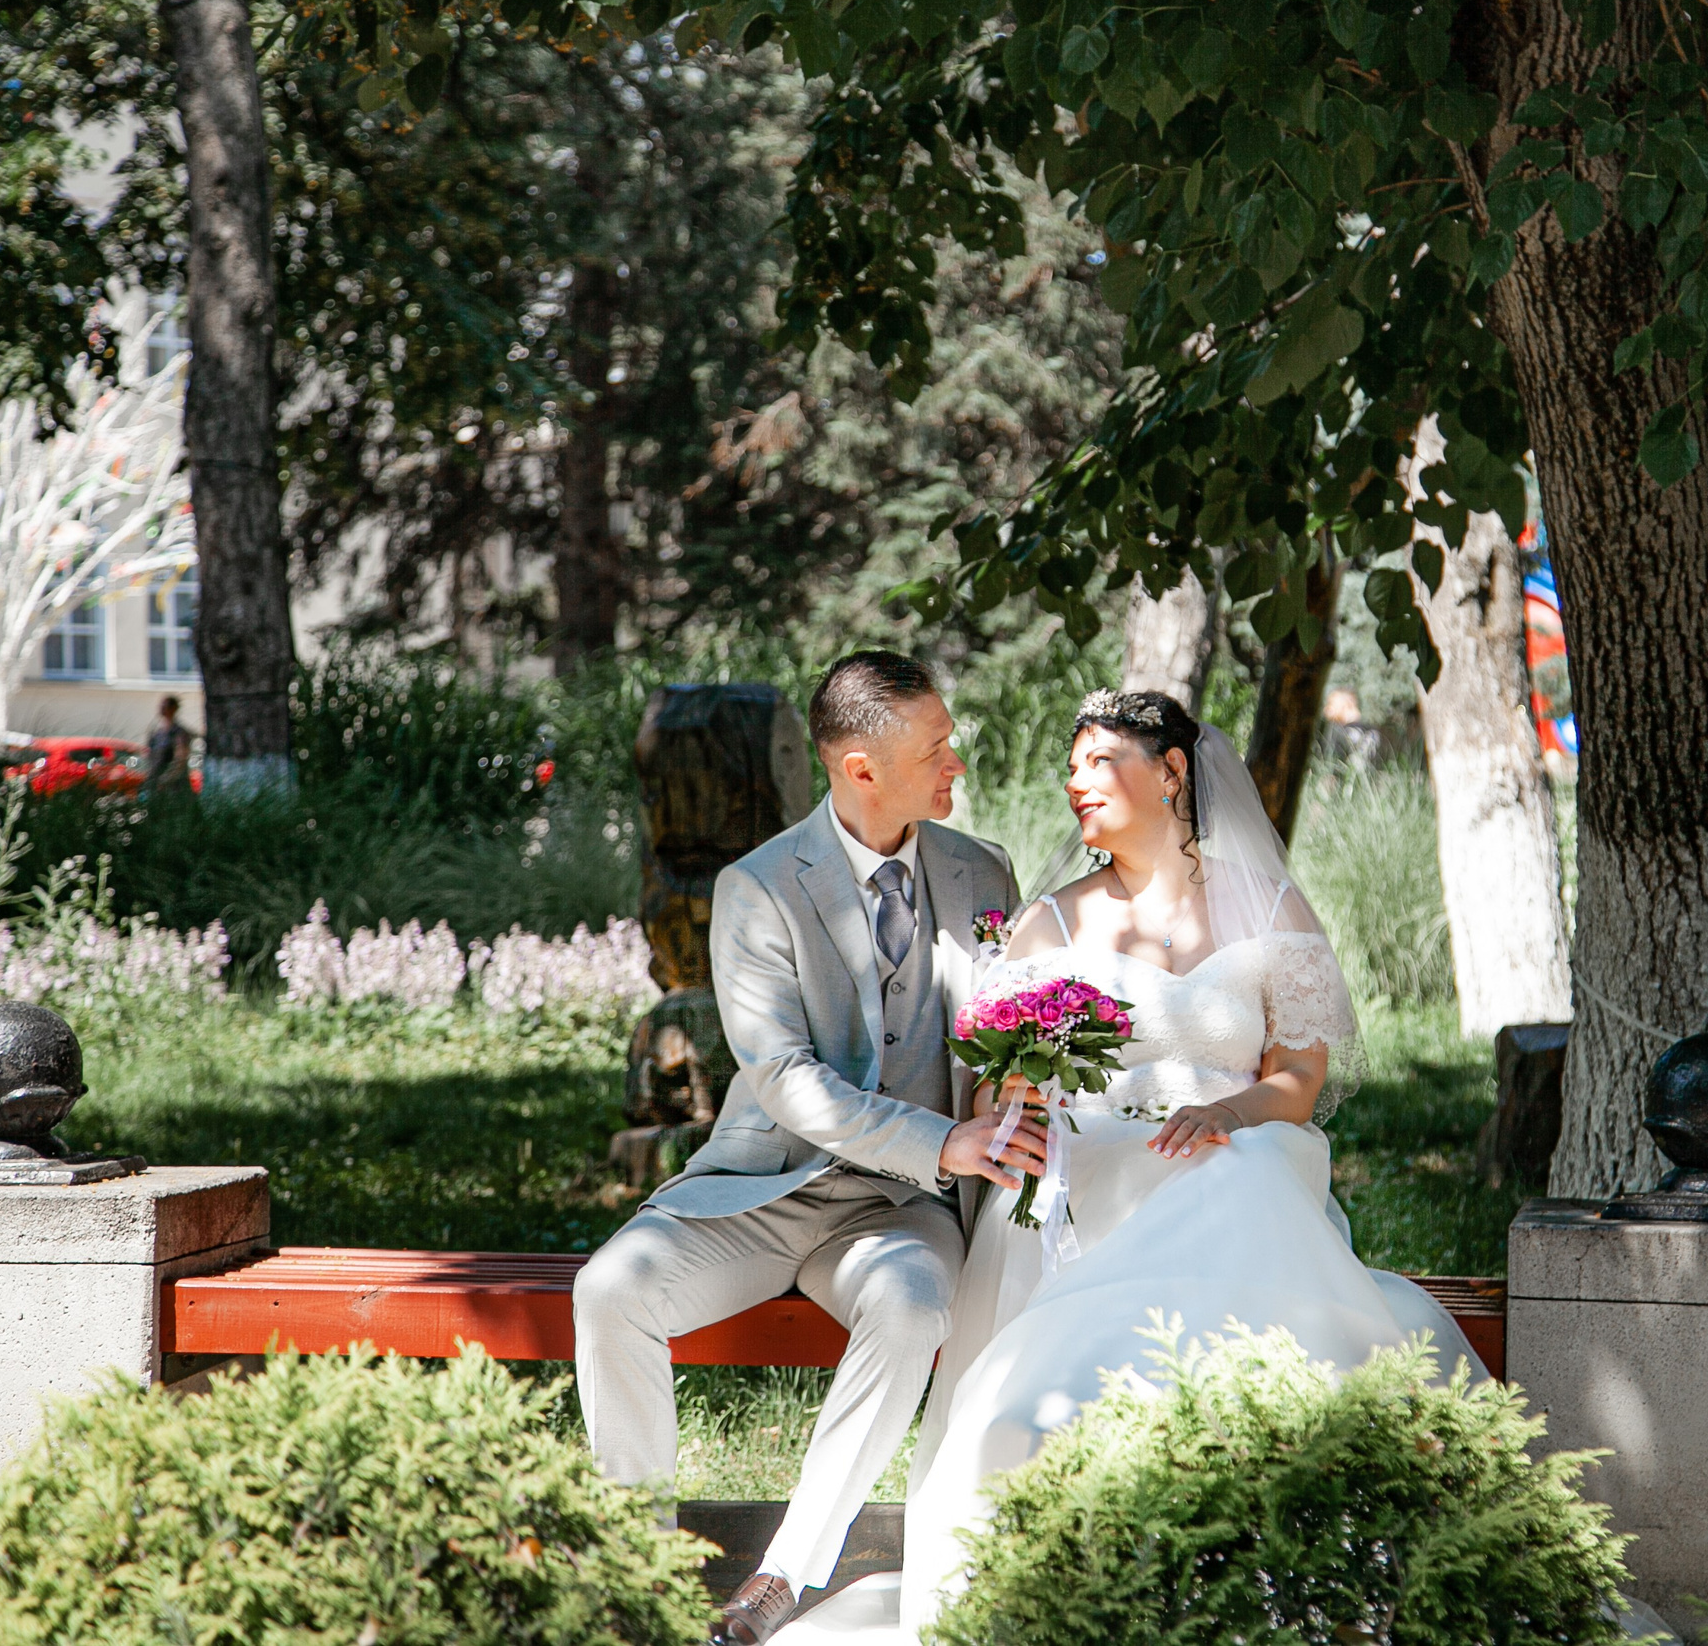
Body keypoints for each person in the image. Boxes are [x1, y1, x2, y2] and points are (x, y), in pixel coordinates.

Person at [771, 689, 1484, 1646]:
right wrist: (1018, 1106)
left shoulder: (1268, 902)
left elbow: (1298, 1080)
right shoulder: (1050, 924)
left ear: (1172, 771)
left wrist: (1226, 1110)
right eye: (1071, 766)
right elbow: (993, 1095)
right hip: (1086, 1169)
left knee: (1241, 1170)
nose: (1075, 782)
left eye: (1098, 760)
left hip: (1232, 1149)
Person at [570, 651, 1043, 1646]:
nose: (955, 760)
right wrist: (944, 1139)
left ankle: (781, 1576)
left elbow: (1007, 1028)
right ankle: (638, 1566)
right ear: (859, 768)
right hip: (770, 1186)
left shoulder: (981, 872)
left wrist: (1016, 1092)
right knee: (609, 1290)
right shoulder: (758, 886)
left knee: (914, 1303)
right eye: (935, 746)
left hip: (905, 1211)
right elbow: (784, 1079)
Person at [141, 695, 194, 795]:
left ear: (173, 708)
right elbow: (149, 755)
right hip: (155, 783)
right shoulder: (157, 733)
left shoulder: (179, 733)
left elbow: (180, 760)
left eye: (165, 706)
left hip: (174, 787)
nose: (162, 708)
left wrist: (166, 779)